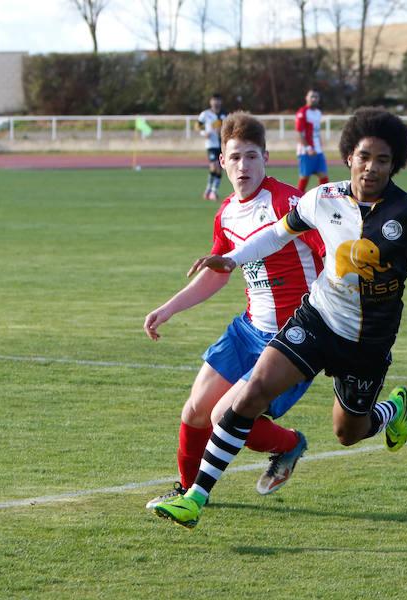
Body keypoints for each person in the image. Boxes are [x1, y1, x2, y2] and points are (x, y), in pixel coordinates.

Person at [153, 107, 407, 530]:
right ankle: (195, 498)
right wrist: (231, 258)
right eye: (364, 156)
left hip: (368, 343)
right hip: (316, 321)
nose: (372, 167)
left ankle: (392, 409)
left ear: (394, 164)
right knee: (249, 395)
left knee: (349, 432)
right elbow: (276, 234)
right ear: (349, 156)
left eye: (383, 160)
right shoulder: (321, 198)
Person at [144, 111, 325, 508]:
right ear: (222, 162)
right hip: (247, 330)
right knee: (195, 410)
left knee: (225, 418)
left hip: (292, 338)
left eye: (252, 156)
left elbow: (329, 255)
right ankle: (188, 493)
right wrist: (169, 308)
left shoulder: (288, 203)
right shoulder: (225, 212)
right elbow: (218, 272)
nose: (244, 165)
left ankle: (291, 443)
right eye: (236, 157)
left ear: (266, 158)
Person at [294, 88, 329, 193]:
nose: (314, 99)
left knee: (323, 177)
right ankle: (297, 203)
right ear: (306, 98)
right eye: (311, 97)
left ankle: (326, 200)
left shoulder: (318, 113)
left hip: (318, 151)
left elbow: (316, 132)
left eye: (316, 97)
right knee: (304, 178)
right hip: (306, 152)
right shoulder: (302, 113)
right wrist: (308, 148)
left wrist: (320, 146)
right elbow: (299, 133)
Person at [195, 93, 229, 201]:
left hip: (222, 144)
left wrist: (224, 132)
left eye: (218, 100)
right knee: (214, 166)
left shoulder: (225, 114)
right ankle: (209, 189)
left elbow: (231, 127)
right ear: (211, 101)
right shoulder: (205, 114)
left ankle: (214, 191)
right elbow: (197, 126)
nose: (216, 102)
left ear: (221, 102)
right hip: (211, 144)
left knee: (220, 168)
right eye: (214, 100)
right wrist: (203, 133)